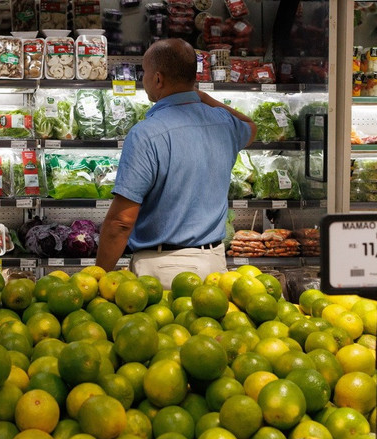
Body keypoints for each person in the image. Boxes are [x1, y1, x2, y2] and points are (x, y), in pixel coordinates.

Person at [95, 38, 257, 287]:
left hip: (163, 270)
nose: (143, 80)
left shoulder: (146, 133)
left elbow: (121, 222)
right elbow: (251, 126)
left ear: (158, 79)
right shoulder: (224, 124)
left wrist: (99, 278)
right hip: (215, 265)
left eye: (145, 74)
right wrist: (201, 97)